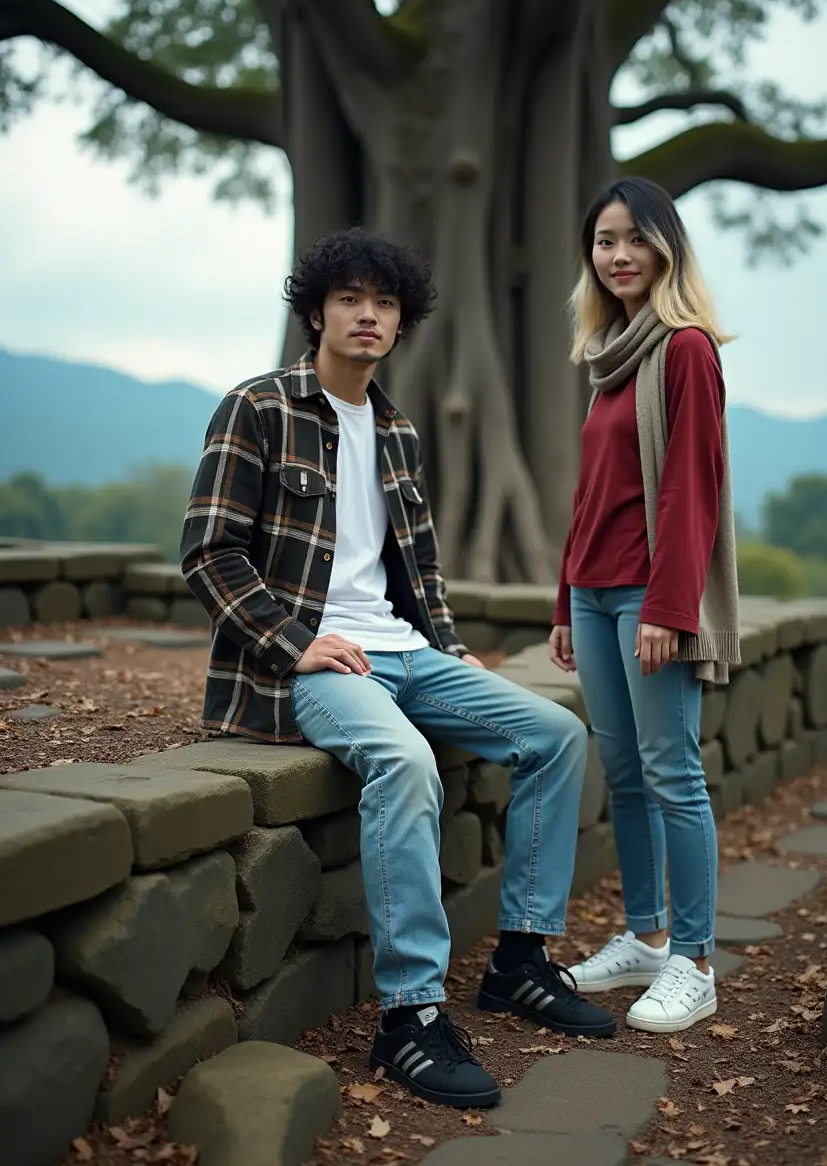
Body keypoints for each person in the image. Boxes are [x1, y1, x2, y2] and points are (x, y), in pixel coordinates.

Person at [181, 227, 615, 1110]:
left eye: (384, 303)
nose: (368, 315)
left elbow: (413, 571)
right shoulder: (257, 408)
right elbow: (209, 551)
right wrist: (293, 639)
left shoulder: (396, 429)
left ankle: (521, 963)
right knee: (406, 763)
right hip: (311, 665)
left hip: (406, 655)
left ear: (402, 321)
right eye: (350, 299)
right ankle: (409, 1020)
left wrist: (447, 645)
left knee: (556, 734)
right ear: (316, 313)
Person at [550, 177, 741, 1034]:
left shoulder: (686, 350)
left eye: (634, 238)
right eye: (603, 241)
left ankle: (695, 961)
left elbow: (690, 490)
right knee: (623, 774)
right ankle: (646, 936)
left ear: (666, 245)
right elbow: (593, 491)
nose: (618, 255)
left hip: (647, 595)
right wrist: (565, 600)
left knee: (673, 774)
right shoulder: (612, 353)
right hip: (593, 593)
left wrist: (670, 607)